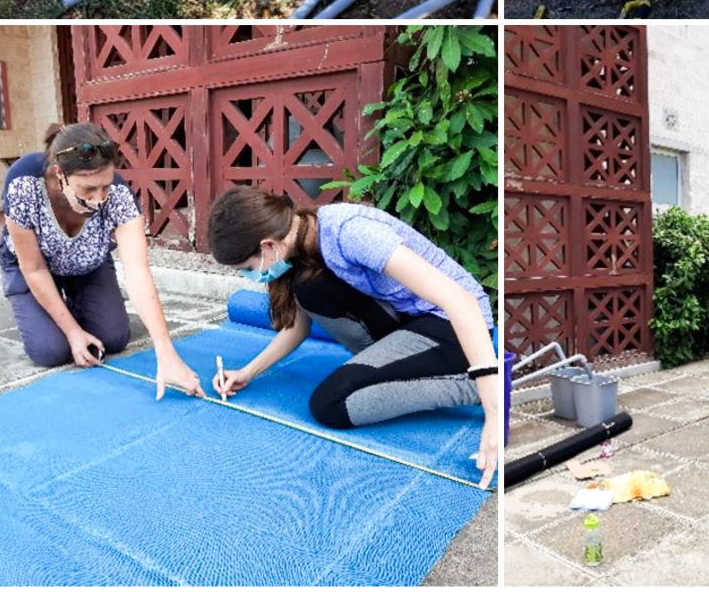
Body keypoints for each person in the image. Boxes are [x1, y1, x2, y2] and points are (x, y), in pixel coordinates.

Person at [207, 187, 498, 488]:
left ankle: (470, 388)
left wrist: (492, 410)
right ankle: (383, 370)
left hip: (451, 325)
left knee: (330, 404)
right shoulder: (301, 243)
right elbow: (297, 327)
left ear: (267, 246)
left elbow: (461, 302)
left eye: (248, 268)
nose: (251, 276)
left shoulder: (351, 233)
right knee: (311, 289)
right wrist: (247, 372)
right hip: (407, 320)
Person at [0, 122, 205, 399]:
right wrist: (72, 332)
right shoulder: (23, 182)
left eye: (105, 187)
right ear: (61, 174)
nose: (99, 199)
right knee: (50, 351)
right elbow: (33, 268)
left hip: (87, 264)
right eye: (88, 189)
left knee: (114, 338)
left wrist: (166, 353)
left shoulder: (118, 195)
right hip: (35, 267)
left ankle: (74, 300)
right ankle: (57, 313)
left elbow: (138, 272)